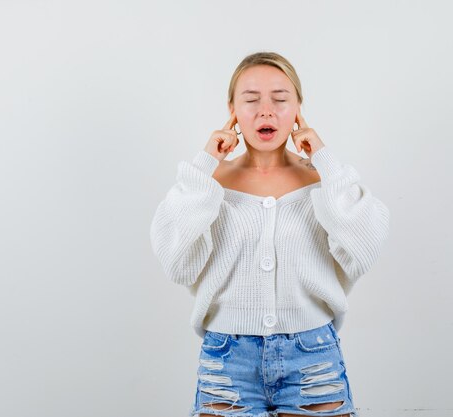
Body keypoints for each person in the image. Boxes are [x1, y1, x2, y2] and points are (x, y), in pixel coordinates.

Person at [149, 51, 390, 417]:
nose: (266, 111)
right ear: (232, 110)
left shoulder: (322, 181)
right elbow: (175, 259)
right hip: (227, 361)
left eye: (280, 99)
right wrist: (204, 166)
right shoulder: (209, 185)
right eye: (250, 100)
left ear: (298, 110)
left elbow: (366, 244)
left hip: (313, 357)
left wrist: (324, 159)